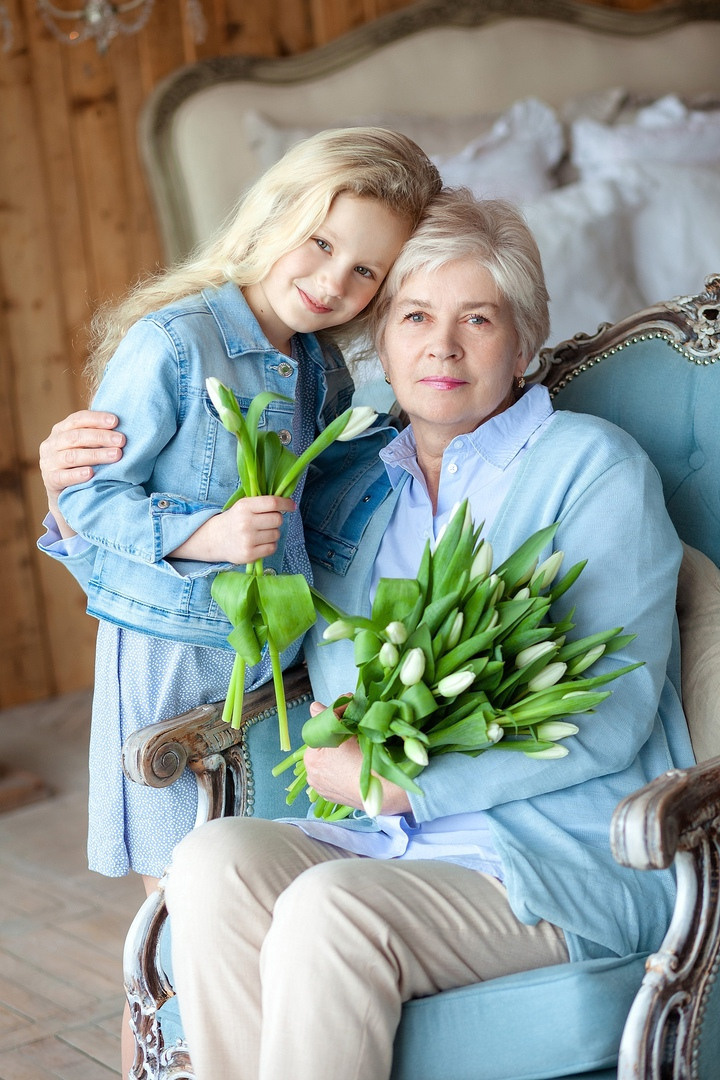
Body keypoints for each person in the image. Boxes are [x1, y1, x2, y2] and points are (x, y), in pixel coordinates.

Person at [41, 191, 694, 1079]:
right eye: (415, 316)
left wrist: (406, 785)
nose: (442, 347)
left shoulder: (591, 469)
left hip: (553, 858)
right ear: (381, 343)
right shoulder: (350, 482)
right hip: (385, 847)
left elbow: (612, 712)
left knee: (329, 911)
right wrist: (73, 502)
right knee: (210, 861)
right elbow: (210, 583)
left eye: (478, 319)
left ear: (524, 344)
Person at [37, 127, 441, 1075]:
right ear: (275, 216)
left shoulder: (318, 365)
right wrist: (204, 533)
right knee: (173, 906)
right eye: (321, 243)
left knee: (246, 898)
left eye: (367, 272)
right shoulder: (176, 343)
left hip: (272, 654)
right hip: (174, 653)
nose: (335, 281)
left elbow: (324, 481)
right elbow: (91, 499)